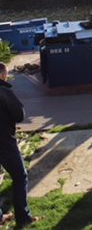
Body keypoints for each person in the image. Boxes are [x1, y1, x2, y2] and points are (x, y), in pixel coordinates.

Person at [0, 62, 37, 228]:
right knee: (20, 176)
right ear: (2, 75)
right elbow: (19, 115)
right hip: (5, 141)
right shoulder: (4, 92)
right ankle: (23, 217)